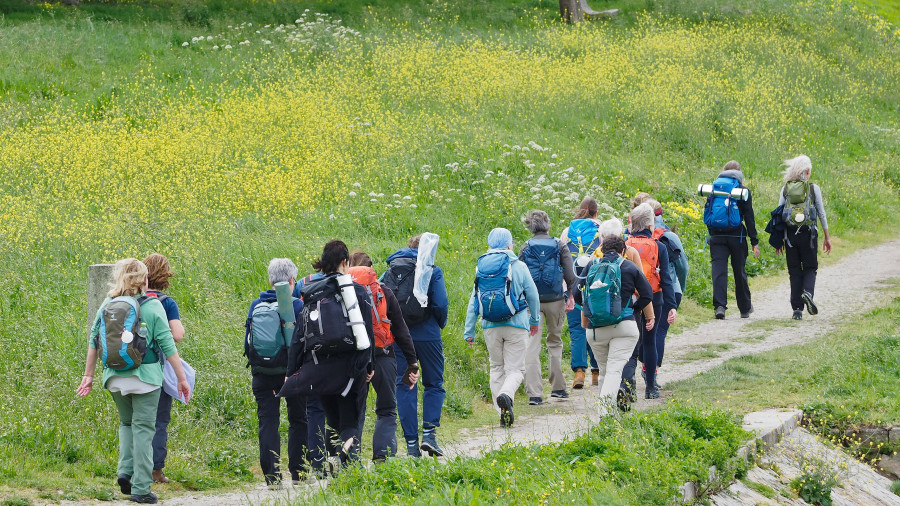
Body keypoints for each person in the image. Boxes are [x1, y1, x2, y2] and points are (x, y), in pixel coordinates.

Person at [77, 258, 191, 505]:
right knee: (143, 428)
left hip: (114, 376)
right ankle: (140, 487)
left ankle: (124, 471)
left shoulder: (108, 303)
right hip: (146, 378)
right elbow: (168, 344)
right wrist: (182, 379)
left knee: (126, 424)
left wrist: (88, 376)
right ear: (145, 279)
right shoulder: (151, 306)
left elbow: (93, 341)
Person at [286, 240, 374, 466]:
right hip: (351, 368)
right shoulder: (357, 292)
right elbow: (367, 332)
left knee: (332, 420)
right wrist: (369, 366)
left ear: (323, 263)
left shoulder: (312, 293)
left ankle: (333, 457)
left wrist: (292, 370)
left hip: (320, 369)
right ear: (345, 262)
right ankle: (348, 465)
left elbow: (298, 337)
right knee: (350, 422)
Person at [464, 228, 541, 427]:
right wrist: (534, 320)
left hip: (490, 326)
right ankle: (507, 395)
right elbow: (532, 295)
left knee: (496, 368)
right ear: (509, 244)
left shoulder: (481, 267)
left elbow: (474, 300)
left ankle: (502, 412)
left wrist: (469, 331)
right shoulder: (519, 265)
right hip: (517, 324)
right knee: (515, 370)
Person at [348, 251, 420, 463]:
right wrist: (412, 362)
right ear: (372, 269)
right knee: (387, 408)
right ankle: (383, 455)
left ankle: (351, 459)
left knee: (354, 410)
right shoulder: (383, 292)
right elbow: (400, 329)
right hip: (383, 355)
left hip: (354, 359)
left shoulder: (343, 292)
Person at [383, 235, 449, 457]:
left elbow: (382, 301)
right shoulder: (432, 269)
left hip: (400, 338)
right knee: (434, 383)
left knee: (405, 385)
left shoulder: (391, 270)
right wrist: (438, 324)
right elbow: (440, 303)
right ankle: (429, 434)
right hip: (428, 334)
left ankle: (411, 444)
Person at [245, 258, 307, 488]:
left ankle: (272, 477)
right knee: (298, 420)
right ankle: (299, 474)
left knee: (268, 422)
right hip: (292, 374)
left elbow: (248, 342)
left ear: (270, 281)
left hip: (262, 372)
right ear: (292, 280)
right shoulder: (297, 305)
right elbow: (302, 343)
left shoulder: (255, 305)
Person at [576, 236, 654, 415]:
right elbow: (648, 294)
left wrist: (592, 311)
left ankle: (610, 416)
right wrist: (633, 309)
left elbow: (576, 292)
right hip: (624, 328)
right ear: (623, 251)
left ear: (602, 250)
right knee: (614, 371)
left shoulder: (591, 265)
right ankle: (604, 413)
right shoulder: (629, 266)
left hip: (595, 330)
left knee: (604, 372)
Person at [518, 210, 576, 404]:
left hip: (531, 303)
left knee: (532, 345)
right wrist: (570, 296)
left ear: (530, 227)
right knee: (555, 341)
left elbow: (519, 274)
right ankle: (558, 388)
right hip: (555, 300)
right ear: (548, 225)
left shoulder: (526, 247)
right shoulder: (559, 245)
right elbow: (570, 274)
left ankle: (534, 393)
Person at [622, 204, 677, 399]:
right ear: (649, 224)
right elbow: (667, 280)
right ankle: (651, 388)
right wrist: (672, 306)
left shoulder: (624, 244)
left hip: (629, 298)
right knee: (649, 341)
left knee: (629, 343)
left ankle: (627, 386)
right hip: (654, 297)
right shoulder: (658, 246)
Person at [141, 254, 185, 485]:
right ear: (166, 273)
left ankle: (131, 468)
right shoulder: (166, 302)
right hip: (156, 367)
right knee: (158, 421)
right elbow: (177, 335)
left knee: (134, 422)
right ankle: (156, 471)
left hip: (129, 367)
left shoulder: (131, 298)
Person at [775, 155, 832, 320]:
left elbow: (778, 215)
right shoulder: (814, 189)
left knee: (794, 271)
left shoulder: (785, 189)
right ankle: (807, 292)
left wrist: (779, 240)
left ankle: (797, 310)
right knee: (810, 267)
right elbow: (821, 213)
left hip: (790, 236)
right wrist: (827, 237)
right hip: (808, 234)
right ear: (807, 172)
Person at [705, 160, 760, 319]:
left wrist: (712, 234)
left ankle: (720, 307)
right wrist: (754, 241)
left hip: (717, 236)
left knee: (719, 272)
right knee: (739, 271)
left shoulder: (714, 188)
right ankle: (744, 308)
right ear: (739, 173)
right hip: (737, 236)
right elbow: (749, 217)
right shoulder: (742, 190)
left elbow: (708, 213)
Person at [559, 197, 602, 389]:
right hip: (595, 285)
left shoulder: (567, 231)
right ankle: (596, 371)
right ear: (596, 212)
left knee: (577, 330)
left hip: (572, 285)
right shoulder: (601, 229)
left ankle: (578, 373)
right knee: (595, 327)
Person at [647, 200, 688, 383]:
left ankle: (645, 366)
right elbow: (683, 267)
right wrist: (680, 288)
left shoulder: (632, 236)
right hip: (670, 289)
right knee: (660, 331)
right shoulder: (670, 237)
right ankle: (652, 371)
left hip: (645, 290)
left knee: (646, 331)